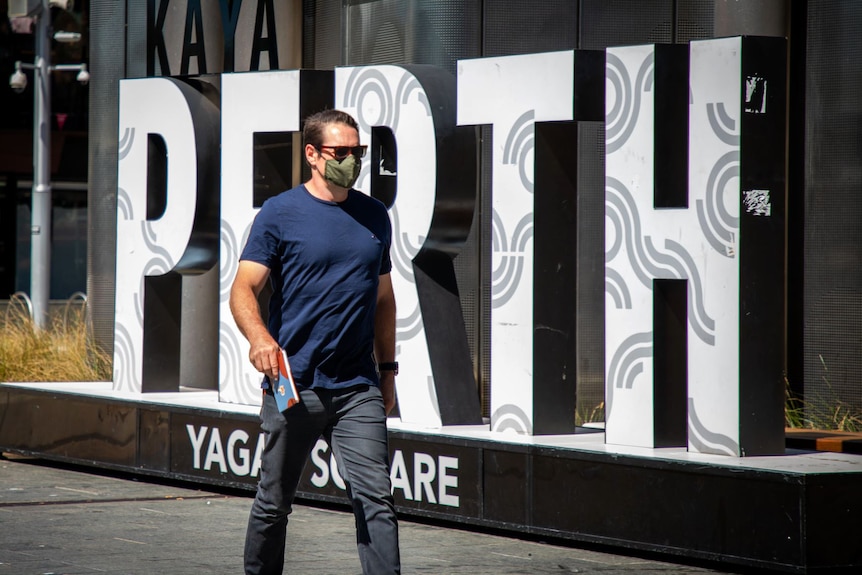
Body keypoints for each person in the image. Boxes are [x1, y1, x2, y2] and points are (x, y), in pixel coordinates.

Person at [229, 109, 400, 575]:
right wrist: (260, 338)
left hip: (356, 385)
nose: (351, 160)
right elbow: (243, 289)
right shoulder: (280, 213)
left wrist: (388, 374)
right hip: (293, 381)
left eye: (357, 152)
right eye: (340, 152)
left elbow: (384, 300)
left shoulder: (373, 215)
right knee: (274, 501)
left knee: (376, 499)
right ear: (311, 154)